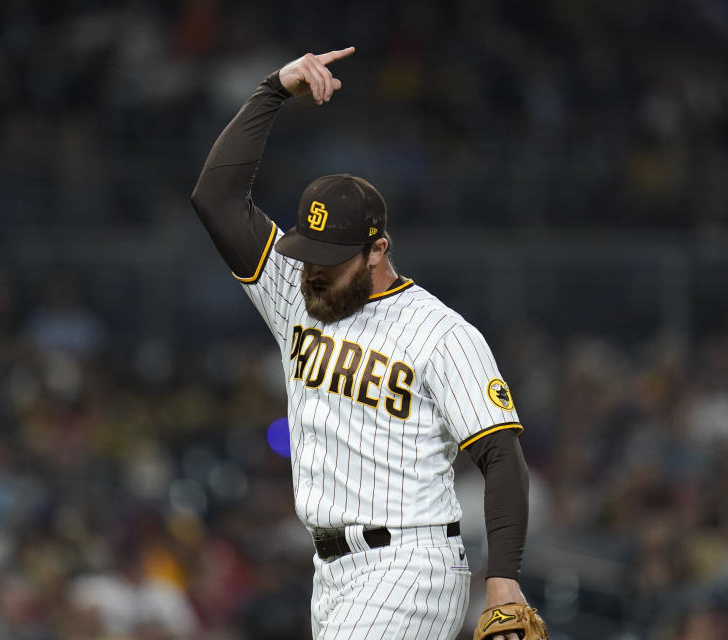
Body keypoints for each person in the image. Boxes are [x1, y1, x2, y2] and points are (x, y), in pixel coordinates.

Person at [191, 47, 535, 640]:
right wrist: (273, 90)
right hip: (331, 575)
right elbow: (216, 200)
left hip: (412, 565)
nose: (314, 272)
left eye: (332, 259)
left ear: (377, 250)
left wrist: (503, 578)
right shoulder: (293, 293)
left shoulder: (442, 334)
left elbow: (501, 456)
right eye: (308, 254)